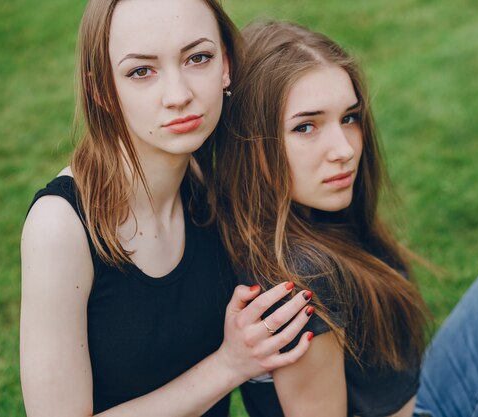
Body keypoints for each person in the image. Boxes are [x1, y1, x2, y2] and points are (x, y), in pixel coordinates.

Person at [215, 20, 478, 417]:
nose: (343, 149)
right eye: (306, 126)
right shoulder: (300, 286)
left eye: (349, 117)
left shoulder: (305, 219)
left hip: (420, 401)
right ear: (249, 140)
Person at [19, 2, 315, 416]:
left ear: (226, 65)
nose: (179, 96)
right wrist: (228, 365)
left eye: (199, 58)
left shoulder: (210, 180)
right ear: (101, 89)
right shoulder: (60, 227)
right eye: (141, 71)